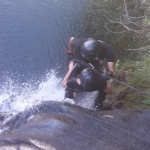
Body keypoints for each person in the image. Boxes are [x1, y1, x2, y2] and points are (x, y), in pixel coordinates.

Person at [65, 37, 115, 110]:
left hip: (95, 64)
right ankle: (68, 97)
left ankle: (98, 104)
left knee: (102, 83)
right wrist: (70, 52)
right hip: (80, 60)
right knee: (72, 76)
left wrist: (105, 76)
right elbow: (71, 40)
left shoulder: (108, 50)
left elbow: (112, 72)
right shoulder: (81, 42)